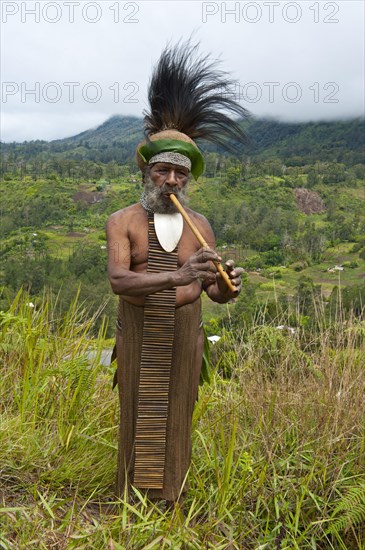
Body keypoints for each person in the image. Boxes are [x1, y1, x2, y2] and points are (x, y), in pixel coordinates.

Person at [106, 41, 248, 504]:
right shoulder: (123, 221)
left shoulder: (200, 224)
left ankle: (170, 496)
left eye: (180, 175)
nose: (171, 181)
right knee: (138, 410)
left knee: (178, 411)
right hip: (141, 328)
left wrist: (227, 286)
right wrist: (177, 274)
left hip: (185, 331)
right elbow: (119, 281)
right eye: (163, 171)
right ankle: (131, 496)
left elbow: (211, 292)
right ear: (147, 172)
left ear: (188, 180)